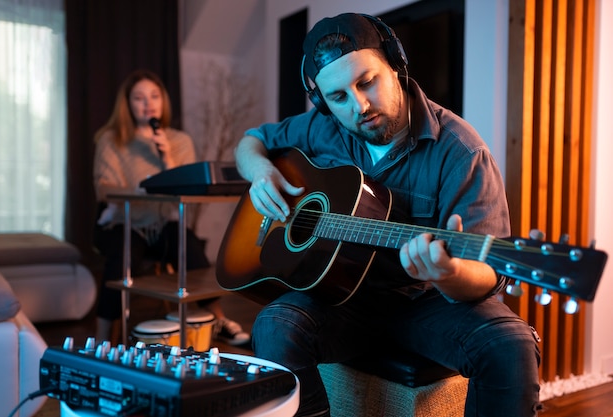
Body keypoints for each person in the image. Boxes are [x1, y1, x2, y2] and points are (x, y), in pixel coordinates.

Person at [234, 13, 541, 417]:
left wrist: (448, 273)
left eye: (367, 82)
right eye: (338, 97)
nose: (359, 105)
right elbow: (251, 141)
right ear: (322, 103)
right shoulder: (322, 128)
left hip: (426, 304)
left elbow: (490, 271)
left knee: (510, 345)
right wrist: (260, 172)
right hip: (341, 299)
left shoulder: (461, 152)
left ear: (395, 64)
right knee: (274, 325)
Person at [93, 69, 249, 346]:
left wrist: (166, 160)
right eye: (139, 97)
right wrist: (147, 188)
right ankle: (102, 341)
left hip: (164, 224)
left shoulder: (179, 141)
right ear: (127, 103)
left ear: (163, 101)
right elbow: (105, 189)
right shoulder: (111, 139)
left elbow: (183, 188)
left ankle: (220, 320)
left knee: (191, 248)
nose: (147, 103)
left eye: (154, 96)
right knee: (121, 261)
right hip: (123, 224)